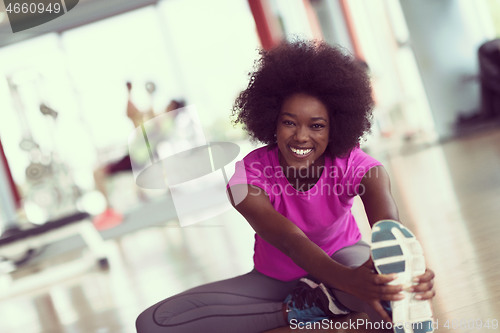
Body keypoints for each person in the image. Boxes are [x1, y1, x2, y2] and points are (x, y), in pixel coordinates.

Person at [135, 40, 435, 333]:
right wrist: (348, 282)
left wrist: (401, 271)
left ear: (335, 128)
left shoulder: (359, 166)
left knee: (384, 293)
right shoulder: (247, 178)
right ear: (272, 122)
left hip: (344, 258)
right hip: (275, 281)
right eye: (290, 123)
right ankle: (315, 306)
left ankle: (337, 304)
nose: (301, 137)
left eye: (316, 125)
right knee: (154, 322)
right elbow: (292, 241)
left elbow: (389, 229)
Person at [92, 81, 185, 230]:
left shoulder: (166, 122)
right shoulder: (163, 121)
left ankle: (109, 211)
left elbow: (142, 116)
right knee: (100, 173)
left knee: (98, 173)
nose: (166, 107)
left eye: (169, 105)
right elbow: (134, 115)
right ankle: (133, 198)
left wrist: (147, 98)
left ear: (174, 109)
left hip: (137, 158)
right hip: (137, 156)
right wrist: (132, 94)